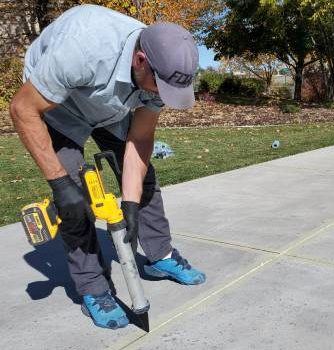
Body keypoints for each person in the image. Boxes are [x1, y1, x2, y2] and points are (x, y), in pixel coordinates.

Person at [9, 4, 206, 330]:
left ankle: (161, 257)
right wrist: (60, 185)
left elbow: (140, 140)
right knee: (74, 199)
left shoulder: (158, 71)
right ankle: (93, 287)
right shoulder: (83, 49)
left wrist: (129, 201)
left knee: (144, 181)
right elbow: (22, 109)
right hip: (57, 103)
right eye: (161, 87)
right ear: (141, 61)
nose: (163, 97)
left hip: (111, 105)